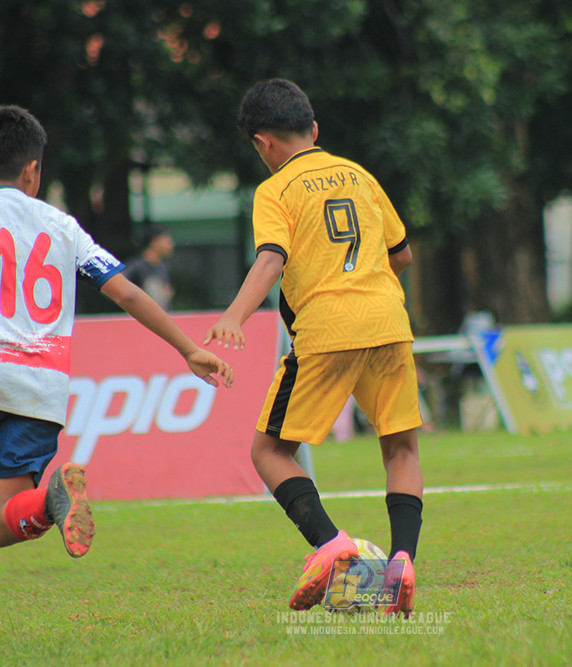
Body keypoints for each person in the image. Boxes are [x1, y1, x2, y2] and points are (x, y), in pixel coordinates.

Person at [0, 105, 233, 654]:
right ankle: (48, 501)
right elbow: (127, 291)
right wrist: (188, 348)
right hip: (40, 387)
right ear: (33, 170)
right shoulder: (63, 226)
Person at [205, 79, 423, 617]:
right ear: (314, 129)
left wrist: (234, 316)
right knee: (401, 449)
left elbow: (271, 259)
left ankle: (331, 546)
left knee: (269, 451)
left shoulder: (276, 190)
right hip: (389, 322)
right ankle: (401, 564)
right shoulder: (361, 176)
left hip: (328, 330)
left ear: (263, 143)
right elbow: (402, 255)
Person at [123, 225, 175, 310]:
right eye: (166, 240)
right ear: (154, 242)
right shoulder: (137, 266)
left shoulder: (163, 267)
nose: (170, 245)